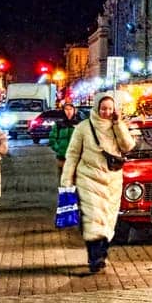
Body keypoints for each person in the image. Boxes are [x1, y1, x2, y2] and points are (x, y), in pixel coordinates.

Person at [60, 93, 136, 274]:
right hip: (89, 179)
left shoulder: (117, 126)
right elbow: (72, 155)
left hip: (112, 181)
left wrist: (118, 125)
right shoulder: (83, 128)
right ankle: (95, 258)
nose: (106, 112)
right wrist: (66, 179)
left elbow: (128, 146)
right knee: (93, 219)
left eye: (110, 108)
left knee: (108, 220)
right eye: (103, 108)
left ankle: (102, 253)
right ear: (96, 108)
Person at [48, 98, 83, 162]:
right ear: (63, 111)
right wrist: (58, 149)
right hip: (62, 157)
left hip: (76, 158)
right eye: (66, 109)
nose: (68, 111)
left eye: (70, 109)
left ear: (74, 110)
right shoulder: (58, 124)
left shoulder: (80, 124)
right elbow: (52, 139)